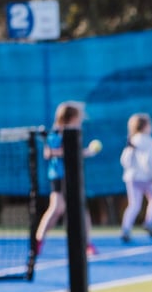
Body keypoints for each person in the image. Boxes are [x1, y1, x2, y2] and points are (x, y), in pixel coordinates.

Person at [33, 102, 101, 258]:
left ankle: (87, 244)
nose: (81, 121)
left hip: (73, 176)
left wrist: (84, 153)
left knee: (82, 211)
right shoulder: (56, 133)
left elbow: (73, 153)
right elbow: (48, 153)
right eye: (78, 118)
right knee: (56, 208)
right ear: (70, 118)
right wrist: (81, 152)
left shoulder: (74, 133)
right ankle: (37, 241)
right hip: (58, 176)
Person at [119, 113, 152, 243]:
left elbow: (124, 161)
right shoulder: (150, 141)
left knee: (134, 205)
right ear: (145, 126)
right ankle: (150, 222)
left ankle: (125, 229)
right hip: (146, 178)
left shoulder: (132, 140)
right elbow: (147, 160)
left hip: (131, 178)